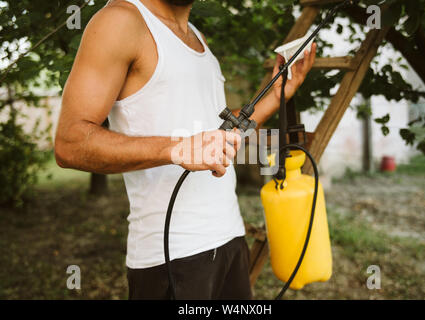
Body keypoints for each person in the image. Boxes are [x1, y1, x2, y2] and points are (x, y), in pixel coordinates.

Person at [55, 0, 316, 299]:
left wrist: (276, 93)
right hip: (173, 258)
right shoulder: (121, 20)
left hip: (230, 239)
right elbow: (70, 143)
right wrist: (176, 149)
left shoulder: (196, 36)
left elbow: (214, 134)